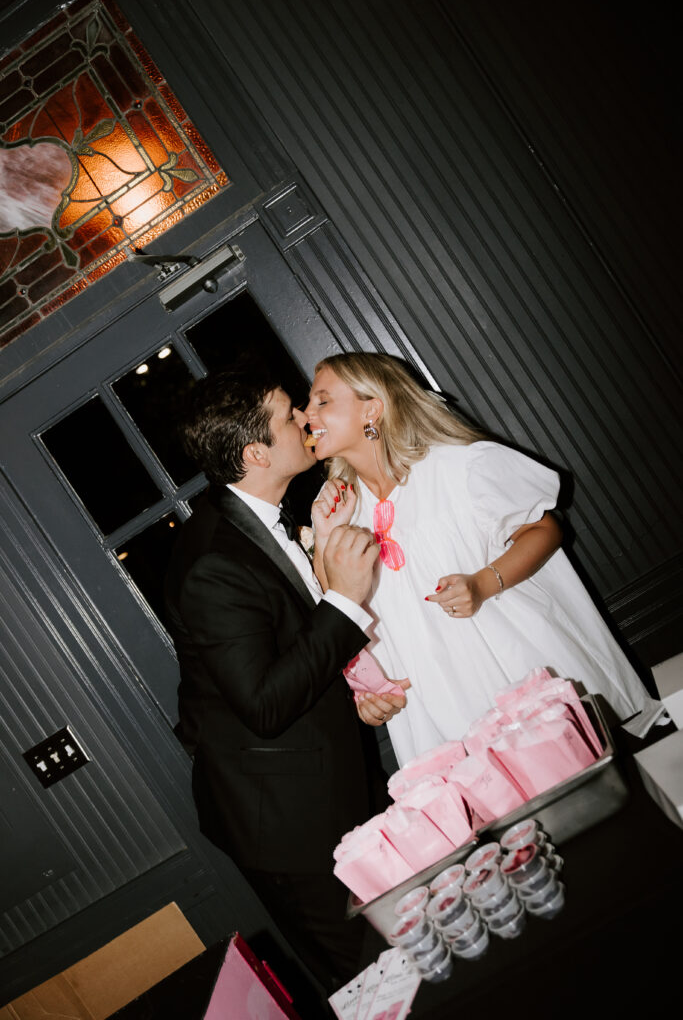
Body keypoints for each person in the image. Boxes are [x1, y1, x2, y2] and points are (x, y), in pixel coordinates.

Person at [164, 368, 405, 1001]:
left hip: (324, 787)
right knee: (379, 981)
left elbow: (288, 642)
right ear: (255, 454)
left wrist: (322, 550)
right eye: (289, 415)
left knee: (412, 942)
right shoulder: (214, 560)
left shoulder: (257, 517)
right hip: (288, 824)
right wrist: (347, 602)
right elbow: (265, 704)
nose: (306, 416)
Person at [305, 352, 660, 768]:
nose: (306, 413)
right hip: (443, 715)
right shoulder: (341, 512)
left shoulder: (460, 468)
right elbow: (341, 617)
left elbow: (545, 529)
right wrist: (369, 691)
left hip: (520, 675)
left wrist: (482, 584)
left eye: (322, 401)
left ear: (373, 408)